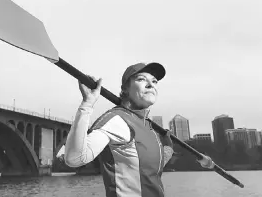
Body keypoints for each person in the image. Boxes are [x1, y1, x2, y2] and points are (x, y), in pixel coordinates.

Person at [64, 62, 214, 197]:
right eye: (141, 79)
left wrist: (168, 147)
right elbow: (75, 159)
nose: (151, 85)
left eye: (154, 81)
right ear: (125, 89)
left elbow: (150, 169)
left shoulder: (150, 129)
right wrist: (87, 104)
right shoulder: (116, 120)